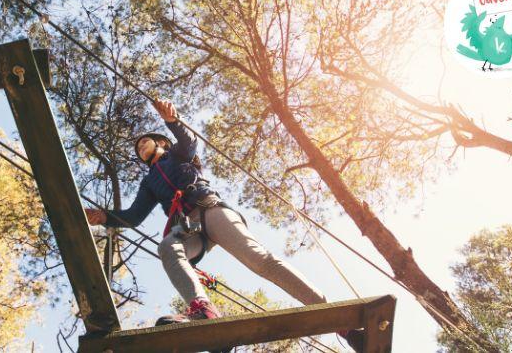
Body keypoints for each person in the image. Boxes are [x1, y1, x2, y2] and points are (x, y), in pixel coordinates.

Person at [85, 100, 364, 351]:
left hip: (211, 210)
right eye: (138, 148)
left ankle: (343, 324)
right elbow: (134, 216)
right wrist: (104, 217)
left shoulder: (178, 156)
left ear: (161, 144)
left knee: (260, 260)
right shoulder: (148, 182)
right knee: (168, 247)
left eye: (145, 141)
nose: (141, 146)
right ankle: (202, 309)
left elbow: (189, 143)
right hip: (188, 227)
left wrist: (173, 120)